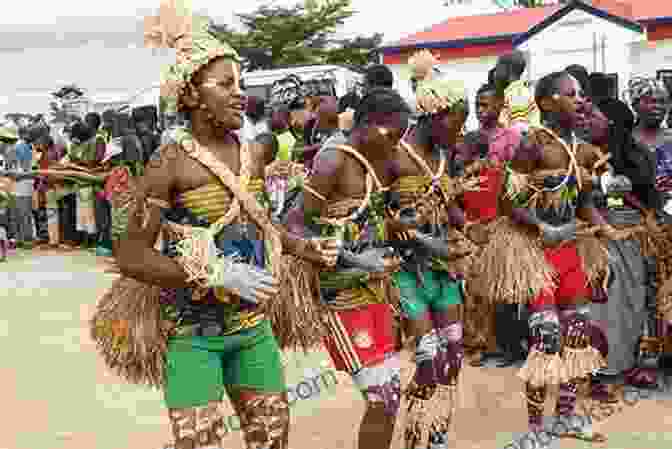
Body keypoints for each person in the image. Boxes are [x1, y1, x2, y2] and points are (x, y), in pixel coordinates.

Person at [101, 8, 336, 449]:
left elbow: (260, 227)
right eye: (226, 84)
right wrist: (213, 274)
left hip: (253, 331)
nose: (240, 94)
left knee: (272, 440)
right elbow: (131, 255)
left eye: (241, 84)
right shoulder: (166, 164)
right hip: (193, 337)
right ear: (190, 94)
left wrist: (305, 248)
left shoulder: (253, 155)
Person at [475, 71, 618, 444]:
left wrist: (607, 233)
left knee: (575, 335)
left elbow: (585, 204)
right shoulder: (532, 144)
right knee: (547, 337)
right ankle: (537, 427)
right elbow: (508, 202)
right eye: (572, 94)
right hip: (535, 253)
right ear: (548, 102)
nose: (581, 100)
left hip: (572, 252)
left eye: (582, 94)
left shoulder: (584, 149)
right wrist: (542, 227)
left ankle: (567, 418)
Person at [285, 87, 409, 449]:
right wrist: (356, 259)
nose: (397, 143)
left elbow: (367, 220)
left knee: (389, 394)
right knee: (383, 396)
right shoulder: (333, 160)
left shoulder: (373, 157)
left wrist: (396, 234)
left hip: (372, 291)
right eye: (393, 134)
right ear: (369, 125)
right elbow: (293, 225)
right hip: (339, 296)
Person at [390, 54, 473, 449]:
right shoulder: (394, 155)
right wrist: (426, 240)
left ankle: (436, 435)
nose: (463, 130)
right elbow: (384, 222)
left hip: (443, 272)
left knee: (453, 357)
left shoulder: (444, 155)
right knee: (428, 362)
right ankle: (413, 439)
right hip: (407, 274)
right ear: (434, 117)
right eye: (458, 121)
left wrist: (465, 226)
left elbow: (451, 205)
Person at [457, 83, 524, 367]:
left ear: (500, 105)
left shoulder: (511, 138)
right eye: (477, 104)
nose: (481, 109)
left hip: (500, 223)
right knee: (475, 291)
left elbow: (514, 183)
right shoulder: (467, 141)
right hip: (473, 227)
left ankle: (505, 344)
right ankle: (479, 343)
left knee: (501, 289)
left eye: (486, 104)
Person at [493, 50, 540, 134]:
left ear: (509, 69)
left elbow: (519, 128)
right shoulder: (514, 91)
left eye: (498, 68)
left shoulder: (516, 94)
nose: (495, 73)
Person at [627, 77, 672, 153]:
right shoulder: (624, 141)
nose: (657, 106)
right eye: (649, 101)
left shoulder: (670, 138)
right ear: (634, 105)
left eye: (662, 101)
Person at [12, 129, 35, 250]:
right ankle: (23, 239)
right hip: (22, 185)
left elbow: (25, 167)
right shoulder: (23, 145)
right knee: (22, 213)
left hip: (22, 184)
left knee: (23, 213)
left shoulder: (23, 146)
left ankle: (24, 239)